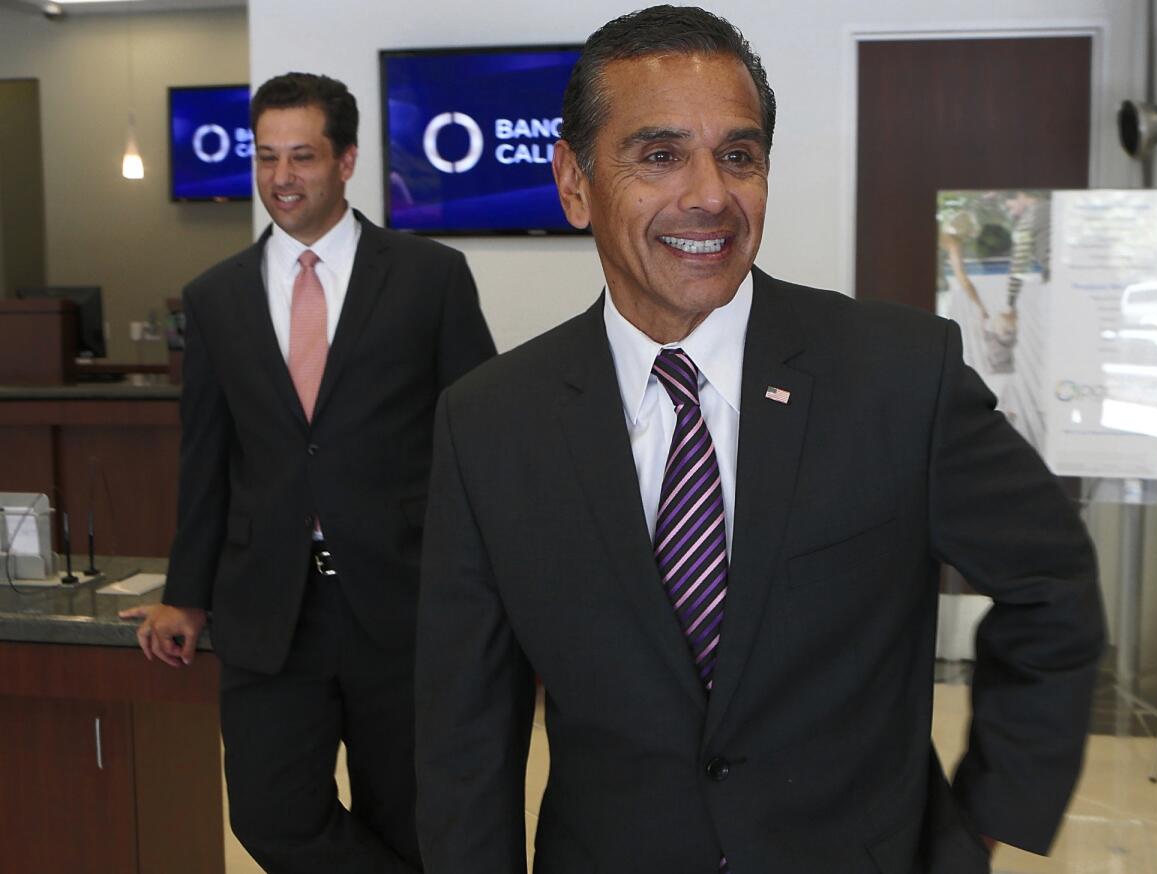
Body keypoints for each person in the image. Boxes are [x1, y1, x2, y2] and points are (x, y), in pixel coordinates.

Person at [413, 7, 1103, 874]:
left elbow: (1052, 585)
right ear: (575, 181)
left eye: (737, 156)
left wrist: (981, 822)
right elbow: (463, 728)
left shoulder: (898, 375)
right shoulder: (488, 422)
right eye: (660, 156)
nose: (709, 194)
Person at [121, 72, 495, 873]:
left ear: (348, 159)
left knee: (410, 815)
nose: (281, 178)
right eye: (265, 158)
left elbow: (478, 446)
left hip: (401, 601)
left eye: (302, 157)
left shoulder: (431, 278)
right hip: (267, 607)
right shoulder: (214, 297)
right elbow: (207, 458)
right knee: (268, 813)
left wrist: (487, 586)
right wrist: (186, 594)